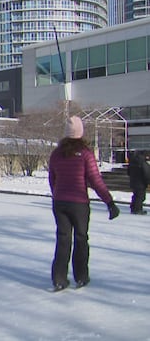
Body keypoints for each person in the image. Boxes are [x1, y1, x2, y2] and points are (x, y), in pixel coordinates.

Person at [48, 116, 120, 292]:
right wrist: (109, 202)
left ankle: (59, 278)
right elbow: (95, 180)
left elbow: (52, 179)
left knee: (63, 239)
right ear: (80, 133)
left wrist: (57, 194)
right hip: (79, 203)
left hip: (60, 203)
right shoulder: (86, 154)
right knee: (81, 238)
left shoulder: (56, 154)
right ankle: (81, 276)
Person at [127, 150, 149, 215]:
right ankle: (138, 209)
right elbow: (147, 173)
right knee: (141, 197)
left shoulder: (132, 163)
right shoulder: (143, 163)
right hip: (141, 183)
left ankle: (133, 207)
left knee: (136, 195)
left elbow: (128, 172)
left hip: (133, 182)